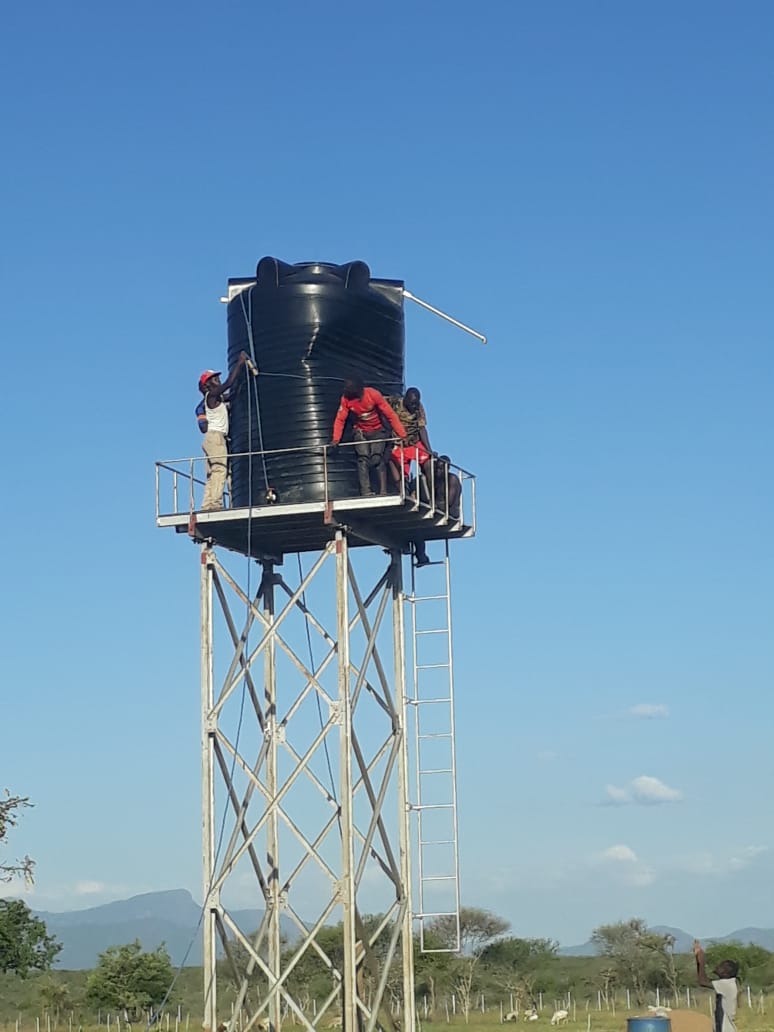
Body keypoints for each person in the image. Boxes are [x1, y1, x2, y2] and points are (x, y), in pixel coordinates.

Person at [331, 376, 406, 496]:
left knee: (377, 458)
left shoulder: (373, 394)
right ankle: (365, 491)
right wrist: (336, 439)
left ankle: (383, 491)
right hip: (361, 432)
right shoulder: (345, 399)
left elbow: (390, 414)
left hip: (378, 431)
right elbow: (340, 419)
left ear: (358, 388)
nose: (345, 390)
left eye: (348, 387)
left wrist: (401, 434)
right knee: (363, 459)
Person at [197, 352, 247, 511]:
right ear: (207, 385)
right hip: (215, 438)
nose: (217, 380)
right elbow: (229, 383)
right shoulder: (211, 395)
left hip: (212, 439)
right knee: (220, 470)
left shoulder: (216, 398)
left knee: (213, 473)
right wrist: (239, 363)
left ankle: (207, 504)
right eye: (214, 379)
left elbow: (231, 395)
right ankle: (214, 504)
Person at [386, 387, 432, 487]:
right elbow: (380, 403)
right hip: (399, 444)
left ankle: (433, 495)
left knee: (429, 464)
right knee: (396, 466)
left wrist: (429, 450)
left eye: (416, 403)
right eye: (412, 403)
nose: (414, 406)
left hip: (414, 442)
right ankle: (404, 490)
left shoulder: (419, 407)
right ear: (405, 399)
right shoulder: (395, 403)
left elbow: (422, 428)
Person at [693, 939, 739, 1032]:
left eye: (721, 966)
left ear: (726, 973)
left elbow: (702, 981)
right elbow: (703, 980)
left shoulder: (726, 985)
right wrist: (699, 960)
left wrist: (701, 960)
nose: (717, 966)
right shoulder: (727, 983)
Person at [433, 454, 462, 519]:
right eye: (437, 468)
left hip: (451, 511)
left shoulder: (452, 479)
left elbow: (449, 501)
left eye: (440, 469)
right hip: (440, 508)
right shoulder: (438, 479)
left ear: (447, 468)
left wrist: (434, 504)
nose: (438, 471)